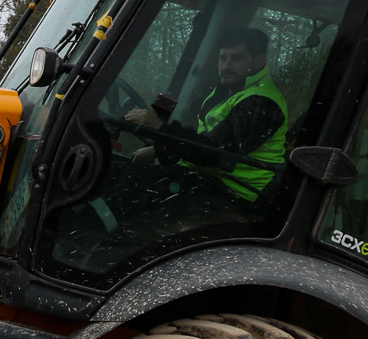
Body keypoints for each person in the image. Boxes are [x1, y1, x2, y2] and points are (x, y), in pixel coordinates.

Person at [123, 26, 290, 206]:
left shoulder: (263, 103)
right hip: (207, 178)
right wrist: (158, 149)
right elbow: (204, 142)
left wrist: (159, 127)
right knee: (124, 172)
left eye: (236, 58)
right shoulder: (227, 91)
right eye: (222, 58)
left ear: (259, 61)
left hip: (233, 194)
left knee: (131, 184)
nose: (226, 65)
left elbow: (213, 152)